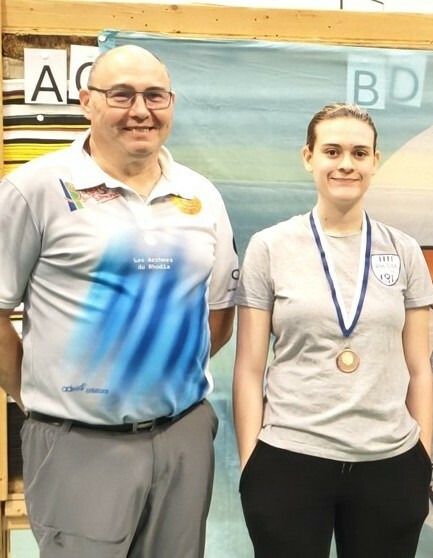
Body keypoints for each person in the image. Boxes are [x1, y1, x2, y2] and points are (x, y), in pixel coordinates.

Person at [0, 45, 238, 556]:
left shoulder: (202, 196)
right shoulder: (33, 189)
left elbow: (219, 315)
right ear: (87, 102)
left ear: (171, 103)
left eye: (155, 96)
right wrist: (40, 400)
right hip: (77, 443)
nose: (140, 111)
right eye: (122, 95)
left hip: (183, 438)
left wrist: (161, 378)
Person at [233, 103, 433, 558]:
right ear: (309, 157)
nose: (346, 164)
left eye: (359, 153)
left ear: (375, 162)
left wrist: (421, 455)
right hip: (290, 459)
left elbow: (419, 368)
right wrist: (252, 463)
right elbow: (248, 368)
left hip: (390, 462)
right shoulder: (270, 247)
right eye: (332, 151)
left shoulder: (403, 251)